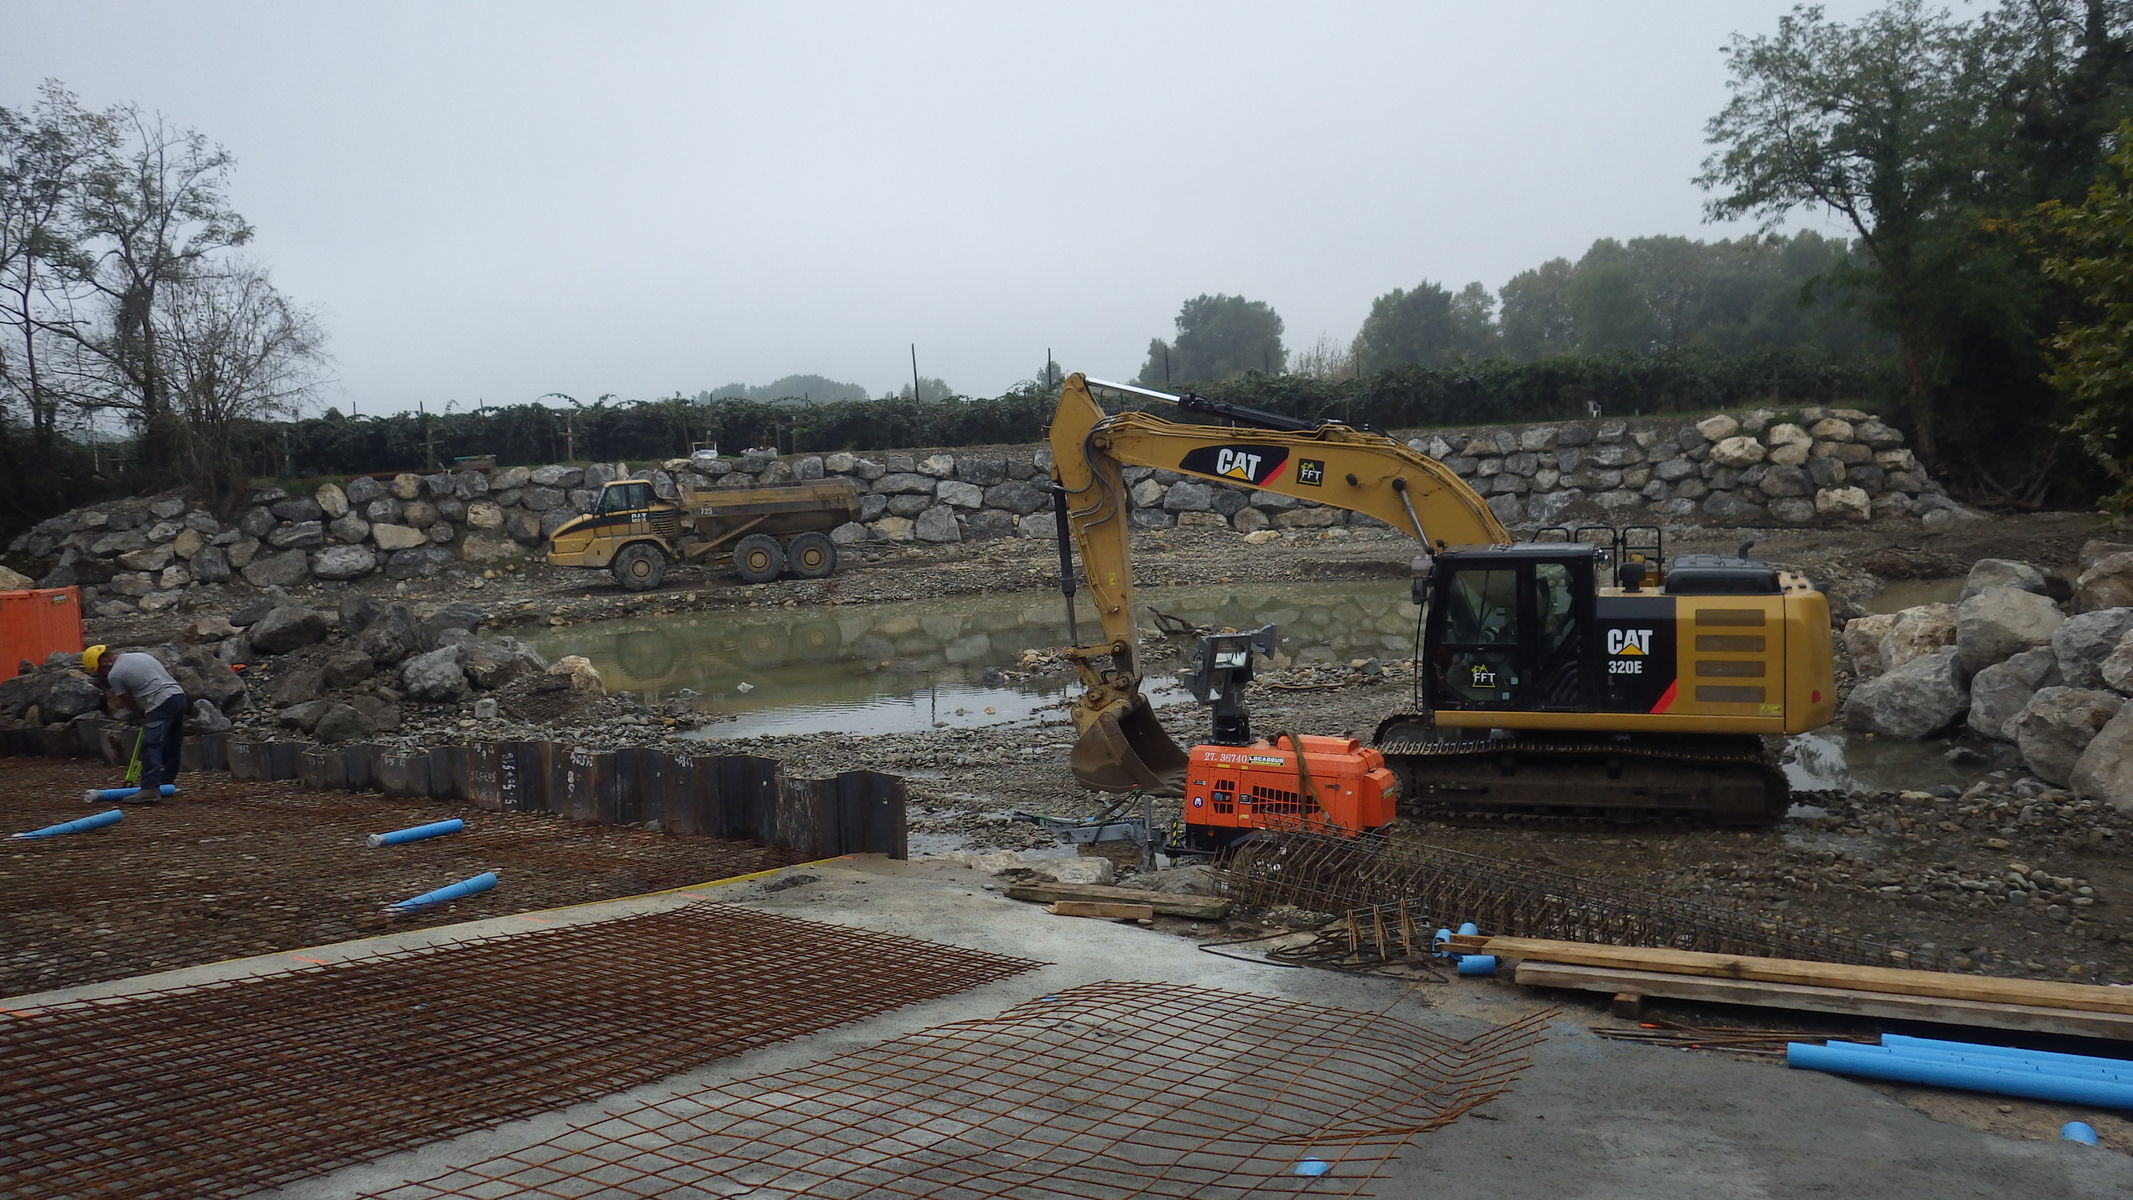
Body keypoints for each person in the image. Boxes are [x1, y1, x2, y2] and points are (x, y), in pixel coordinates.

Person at [83, 644, 188, 799]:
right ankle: (167, 783)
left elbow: (126, 700)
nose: (103, 674)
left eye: (100, 670)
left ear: (104, 661)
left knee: (150, 744)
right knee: (172, 742)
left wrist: (140, 714)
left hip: (159, 701)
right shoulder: (138, 656)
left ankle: (150, 788)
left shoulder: (115, 675)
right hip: (178, 697)